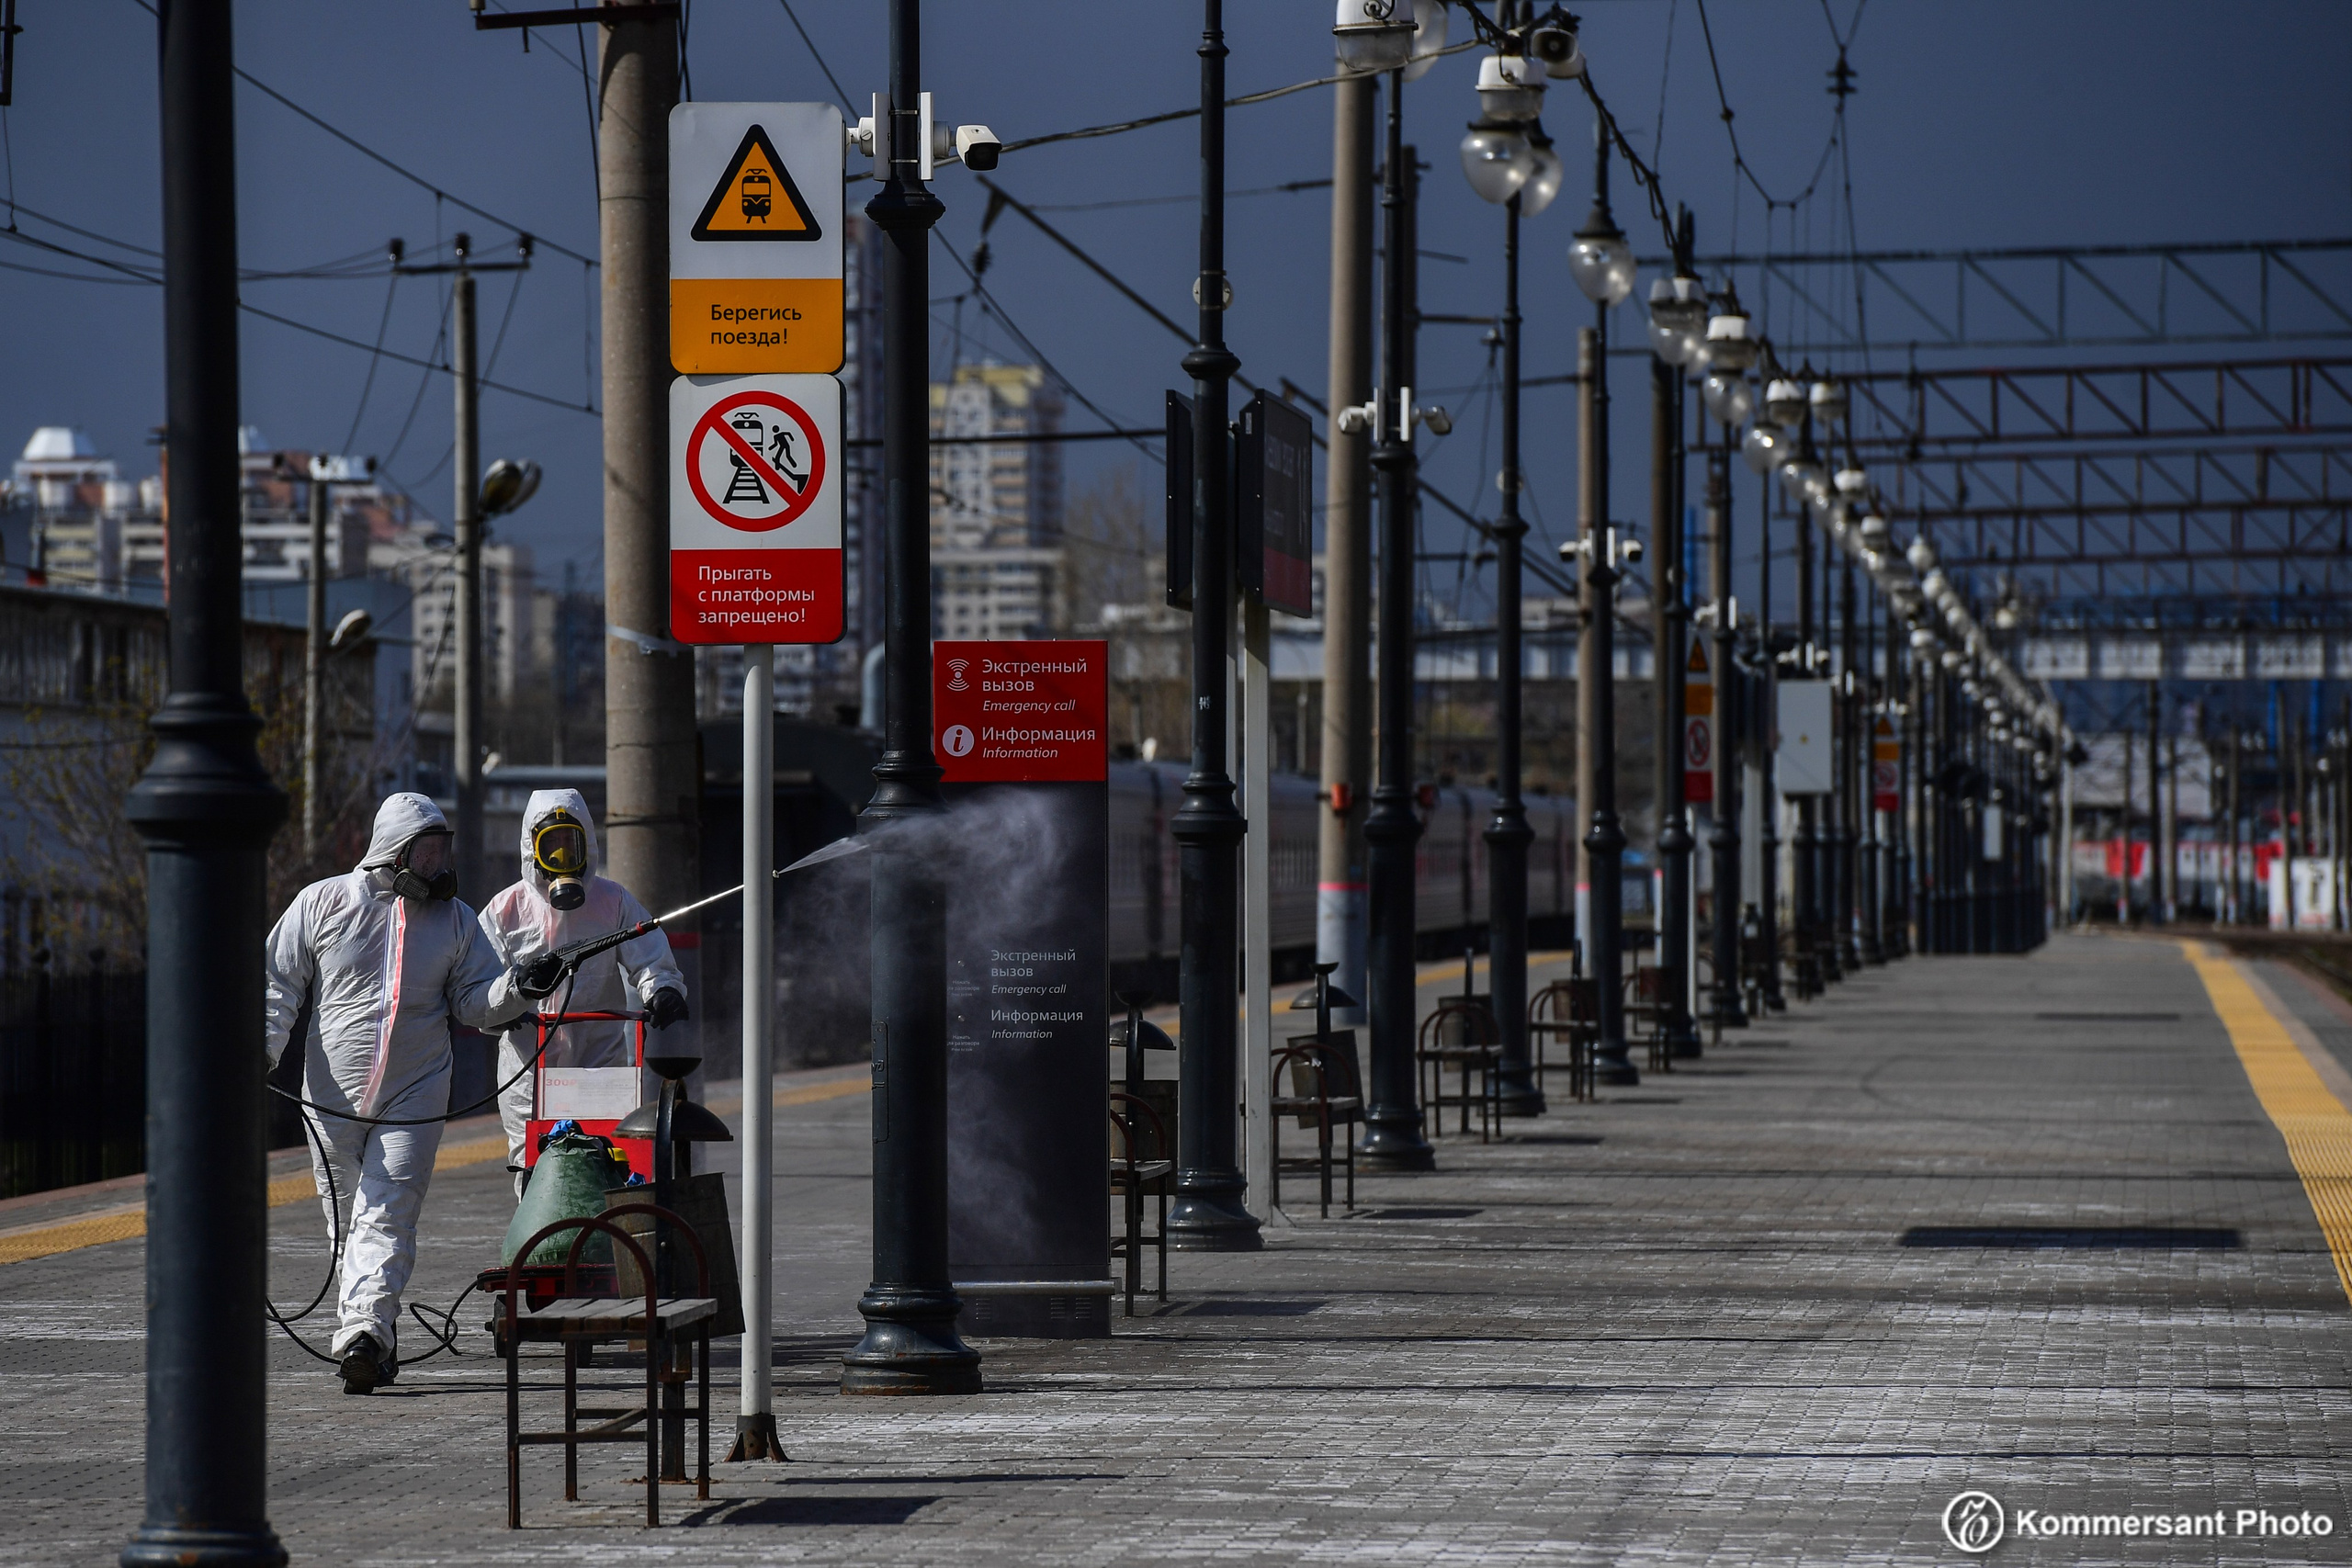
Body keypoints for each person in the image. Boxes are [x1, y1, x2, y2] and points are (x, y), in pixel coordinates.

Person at [264, 792, 535, 1394]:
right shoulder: (323, 903)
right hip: (329, 1095)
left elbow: (476, 1001)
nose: (437, 865)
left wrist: (517, 988)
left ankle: (363, 1334)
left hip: (416, 1090)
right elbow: (277, 982)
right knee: (347, 1221)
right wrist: (262, 1048)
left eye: (442, 851)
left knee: (386, 1210)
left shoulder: (455, 920)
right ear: (393, 851)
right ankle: (371, 1333)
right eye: (425, 852)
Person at [476, 789, 687, 1200]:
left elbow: (649, 955)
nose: (560, 856)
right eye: (549, 845)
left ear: (586, 843)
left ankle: (602, 1235)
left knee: (608, 1158)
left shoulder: (613, 901)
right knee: (532, 1165)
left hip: (598, 1059)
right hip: (528, 1063)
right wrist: (506, 1003)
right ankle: (543, 1235)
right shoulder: (505, 909)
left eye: (568, 843)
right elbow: (479, 985)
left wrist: (662, 988)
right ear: (532, 848)